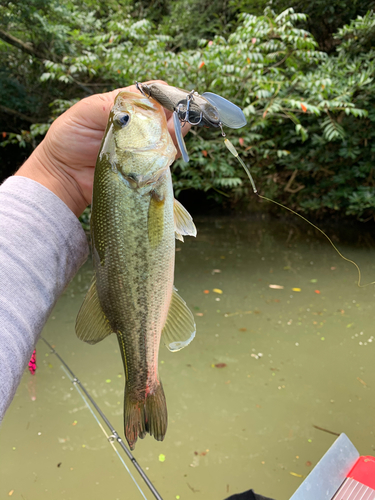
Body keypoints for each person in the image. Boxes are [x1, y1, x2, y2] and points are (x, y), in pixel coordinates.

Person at [0, 82, 275, 500]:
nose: (123, 114)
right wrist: (56, 171)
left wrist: (55, 172)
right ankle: (143, 385)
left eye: (121, 121)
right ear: (124, 160)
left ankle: (141, 385)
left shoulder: (139, 178)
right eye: (123, 121)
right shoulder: (139, 180)